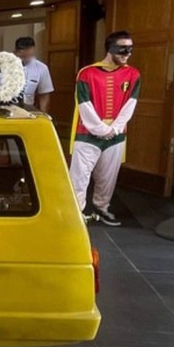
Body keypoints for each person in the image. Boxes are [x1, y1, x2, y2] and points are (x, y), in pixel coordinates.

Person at [68, 30, 140, 226]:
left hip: (116, 135)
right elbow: (83, 103)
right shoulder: (87, 73)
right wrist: (100, 128)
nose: (127, 53)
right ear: (110, 48)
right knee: (79, 177)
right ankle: (76, 213)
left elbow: (130, 103)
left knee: (108, 177)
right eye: (122, 49)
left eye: (130, 49)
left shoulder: (133, 74)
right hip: (87, 134)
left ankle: (102, 207)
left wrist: (115, 129)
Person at [0, 37, 54, 111]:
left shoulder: (41, 68)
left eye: (30, 55)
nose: (26, 59)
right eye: (22, 56)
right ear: (15, 52)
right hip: (1, 110)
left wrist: (43, 115)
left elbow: (44, 95)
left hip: (26, 112)